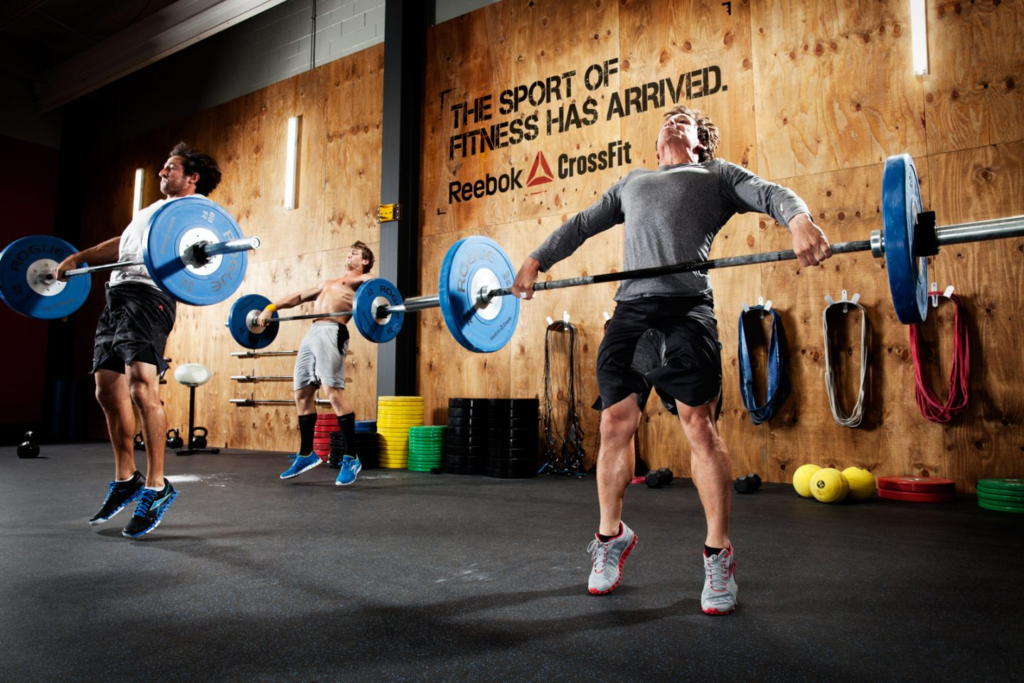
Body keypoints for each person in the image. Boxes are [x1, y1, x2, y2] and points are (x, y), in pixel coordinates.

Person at [512, 105, 832, 614]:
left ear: (699, 140)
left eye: (683, 116)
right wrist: (534, 260)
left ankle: (718, 551)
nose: (672, 118)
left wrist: (799, 221)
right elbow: (580, 225)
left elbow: (771, 194)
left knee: (698, 426)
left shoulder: (717, 175)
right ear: (656, 146)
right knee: (616, 423)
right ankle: (609, 537)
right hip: (632, 312)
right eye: (667, 117)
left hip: (688, 310)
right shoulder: (632, 181)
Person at [55, 142, 222, 538]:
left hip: (150, 298)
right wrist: (79, 258)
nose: (162, 173)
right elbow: (125, 244)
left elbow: (208, 256)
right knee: (106, 388)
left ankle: (157, 485)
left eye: (170, 168)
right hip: (117, 295)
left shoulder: (195, 214)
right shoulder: (151, 212)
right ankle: (127, 477)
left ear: (191, 177)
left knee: (141, 387)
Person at [256, 242, 375, 486]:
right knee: (302, 394)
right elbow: (299, 297)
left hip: (333, 330)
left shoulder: (364, 280)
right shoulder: (329, 282)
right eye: (348, 251)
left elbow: (379, 292)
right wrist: (271, 307)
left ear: (364, 261)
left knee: (333, 393)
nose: (349, 254)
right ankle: (306, 453)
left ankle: (351, 457)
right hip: (312, 333)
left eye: (355, 253)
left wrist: (381, 304)